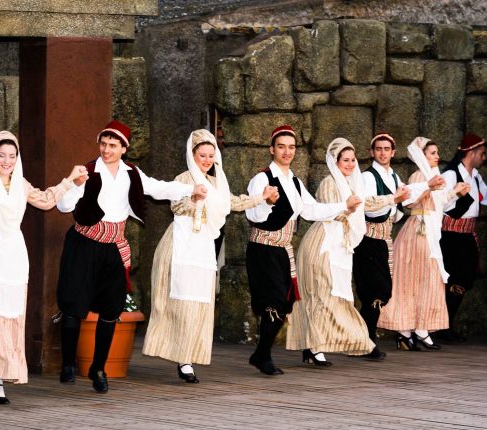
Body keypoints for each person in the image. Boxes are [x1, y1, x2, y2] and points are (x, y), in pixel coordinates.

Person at [55, 120, 207, 393]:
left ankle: (98, 368)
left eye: (113, 145)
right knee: (72, 305)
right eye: (103, 144)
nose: (106, 149)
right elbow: (63, 204)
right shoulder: (86, 171)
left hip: (113, 246)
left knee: (111, 310)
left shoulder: (131, 173)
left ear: (124, 148)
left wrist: (190, 189)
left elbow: (160, 188)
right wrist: (75, 184)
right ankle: (68, 363)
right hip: (84, 244)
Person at [0, 131, 87, 404]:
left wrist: (70, 180)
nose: (7, 160)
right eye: (1, 155)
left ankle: (1, 377)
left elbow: (47, 200)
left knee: (10, 315)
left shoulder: (21, 185)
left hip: (12, 253)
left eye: (12, 156)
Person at [142, 129, 276, 383]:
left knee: (198, 304)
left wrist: (262, 197)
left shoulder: (216, 183)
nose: (206, 160)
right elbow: (176, 206)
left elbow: (232, 202)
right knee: (179, 304)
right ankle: (180, 357)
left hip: (203, 248)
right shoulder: (183, 178)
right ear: (192, 155)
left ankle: (188, 358)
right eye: (201, 155)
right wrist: (192, 196)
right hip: (180, 246)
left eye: (210, 156)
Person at [245, 125, 359, 376]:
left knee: (283, 304)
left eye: (291, 147)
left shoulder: (294, 181)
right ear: (271, 149)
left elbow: (311, 210)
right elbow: (252, 214)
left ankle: (261, 354)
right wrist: (266, 201)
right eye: (282, 147)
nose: (287, 152)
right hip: (263, 247)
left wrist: (344, 206)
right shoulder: (262, 179)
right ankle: (262, 356)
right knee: (273, 302)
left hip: (283, 249)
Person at [352, 132, 443, 360]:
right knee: (374, 290)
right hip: (368, 238)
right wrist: (397, 199)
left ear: (393, 153)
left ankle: (364, 340)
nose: (383, 153)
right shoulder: (367, 177)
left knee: (381, 290)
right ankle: (367, 342)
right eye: (379, 149)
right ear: (372, 152)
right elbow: (369, 206)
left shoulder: (393, 176)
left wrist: (426, 188)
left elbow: (409, 196)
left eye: (387, 149)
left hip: (384, 239)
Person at [287, 138, 377, 364]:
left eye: (352, 160)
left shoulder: (352, 186)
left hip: (340, 245)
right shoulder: (329, 183)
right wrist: (347, 209)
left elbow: (368, 204)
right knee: (320, 294)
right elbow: (329, 212)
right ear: (335, 162)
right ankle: (318, 347)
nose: (349, 164)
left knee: (333, 296)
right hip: (323, 243)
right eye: (344, 160)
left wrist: (394, 199)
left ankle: (321, 346)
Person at [377, 137, 470, 350]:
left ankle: (416, 328)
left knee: (425, 280)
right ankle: (408, 330)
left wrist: (456, 192)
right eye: (432, 153)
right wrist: (428, 186)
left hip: (428, 232)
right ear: (422, 155)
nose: (437, 156)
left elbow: (440, 202)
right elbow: (409, 200)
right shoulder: (420, 175)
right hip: (418, 232)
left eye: (437, 153)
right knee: (416, 279)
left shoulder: (432, 175)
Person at [437, 133, 486, 343]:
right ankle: (442, 327)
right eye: (482, 154)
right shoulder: (450, 176)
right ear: (472, 152)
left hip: (467, 234)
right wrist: (458, 194)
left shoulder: (475, 175)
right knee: (454, 279)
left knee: (463, 279)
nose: (484, 158)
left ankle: (445, 325)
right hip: (450, 234)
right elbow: (442, 204)